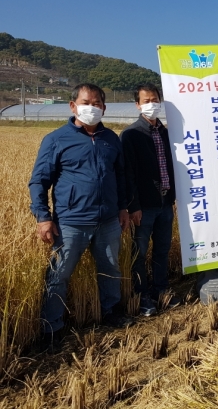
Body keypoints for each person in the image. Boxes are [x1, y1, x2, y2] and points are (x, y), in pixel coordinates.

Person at [29, 83, 133, 351]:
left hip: (108, 220)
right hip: (70, 222)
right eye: (86, 102)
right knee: (59, 275)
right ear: (73, 106)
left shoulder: (111, 139)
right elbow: (39, 181)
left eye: (97, 103)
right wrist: (43, 217)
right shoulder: (56, 140)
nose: (92, 107)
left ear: (104, 108)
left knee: (110, 269)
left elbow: (119, 177)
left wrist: (122, 208)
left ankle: (111, 312)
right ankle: (51, 329)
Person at [120, 83, 179, 316]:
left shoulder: (167, 132)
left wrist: (173, 198)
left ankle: (161, 290)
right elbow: (128, 174)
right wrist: (133, 206)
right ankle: (142, 295)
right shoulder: (131, 135)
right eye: (146, 101)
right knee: (140, 253)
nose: (151, 104)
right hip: (143, 207)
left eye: (154, 100)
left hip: (165, 203)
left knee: (162, 250)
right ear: (137, 105)